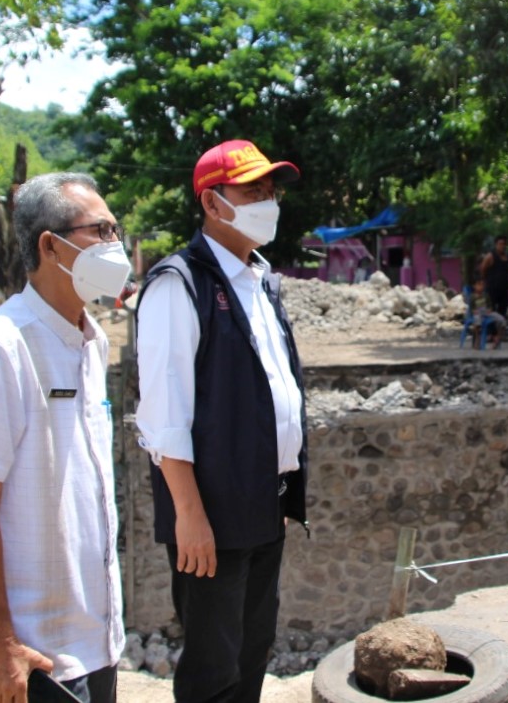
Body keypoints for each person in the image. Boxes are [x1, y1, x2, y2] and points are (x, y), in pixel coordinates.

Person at [135, 139, 309, 703]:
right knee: (214, 668)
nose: (269, 200)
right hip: (210, 510)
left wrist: (281, 498)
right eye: (253, 190)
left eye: (271, 190)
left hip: (265, 503)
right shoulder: (178, 284)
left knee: (253, 650)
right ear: (213, 203)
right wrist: (190, 515)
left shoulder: (260, 281)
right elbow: (164, 416)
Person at [0, 172, 129, 703]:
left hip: (97, 642)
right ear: (51, 246)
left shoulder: (91, 343)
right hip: (37, 654)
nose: (114, 245)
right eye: (100, 230)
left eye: (115, 230)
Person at [479, 236, 508, 325]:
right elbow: (483, 269)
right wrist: (485, 281)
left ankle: (499, 332)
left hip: (504, 288)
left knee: (503, 309)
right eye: (500, 244)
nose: (502, 246)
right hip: (492, 288)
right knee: (491, 310)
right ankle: (491, 333)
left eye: (504, 244)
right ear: (496, 245)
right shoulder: (490, 256)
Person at [467, 277, 506, 348]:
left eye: (482, 285)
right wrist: (474, 311)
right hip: (478, 313)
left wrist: (489, 309)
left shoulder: (486, 295)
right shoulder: (472, 297)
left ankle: (498, 338)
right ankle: (478, 339)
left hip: (486, 312)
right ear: (474, 286)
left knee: (501, 320)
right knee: (477, 321)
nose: (481, 286)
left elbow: (489, 305)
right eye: (479, 285)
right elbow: (471, 307)